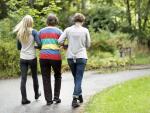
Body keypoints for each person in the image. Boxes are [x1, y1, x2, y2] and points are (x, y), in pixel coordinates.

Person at [58, 13, 91, 108]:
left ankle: (79, 96)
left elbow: (59, 41)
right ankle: (74, 99)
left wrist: (66, 46)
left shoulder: (68, 30)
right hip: (82, 57)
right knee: (78, 78)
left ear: (74, 20)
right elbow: (88, 45)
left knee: (76, 78)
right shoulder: (85, 30)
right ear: (82, 21)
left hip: (70, 57)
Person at [13, 15, 41, 105]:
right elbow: (39, 44)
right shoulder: (34, 32)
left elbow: (18, 47)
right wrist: (35, 46)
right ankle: (36, 95)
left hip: (23, 58)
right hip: (32, 58)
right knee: (34, 77)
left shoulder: (19, 33)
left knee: (23, 79)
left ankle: (24, 99)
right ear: (31, 22)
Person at [39, 13, 62, 105]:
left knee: (45, 77)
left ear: (47, 21)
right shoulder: (59, 31)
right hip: (55, 57)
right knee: (57, 76)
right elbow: (62, 43)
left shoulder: (41, 31)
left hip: (43, 57)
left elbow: (38, 44)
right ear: (56, 21)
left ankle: (48, 100)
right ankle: (56, 97)